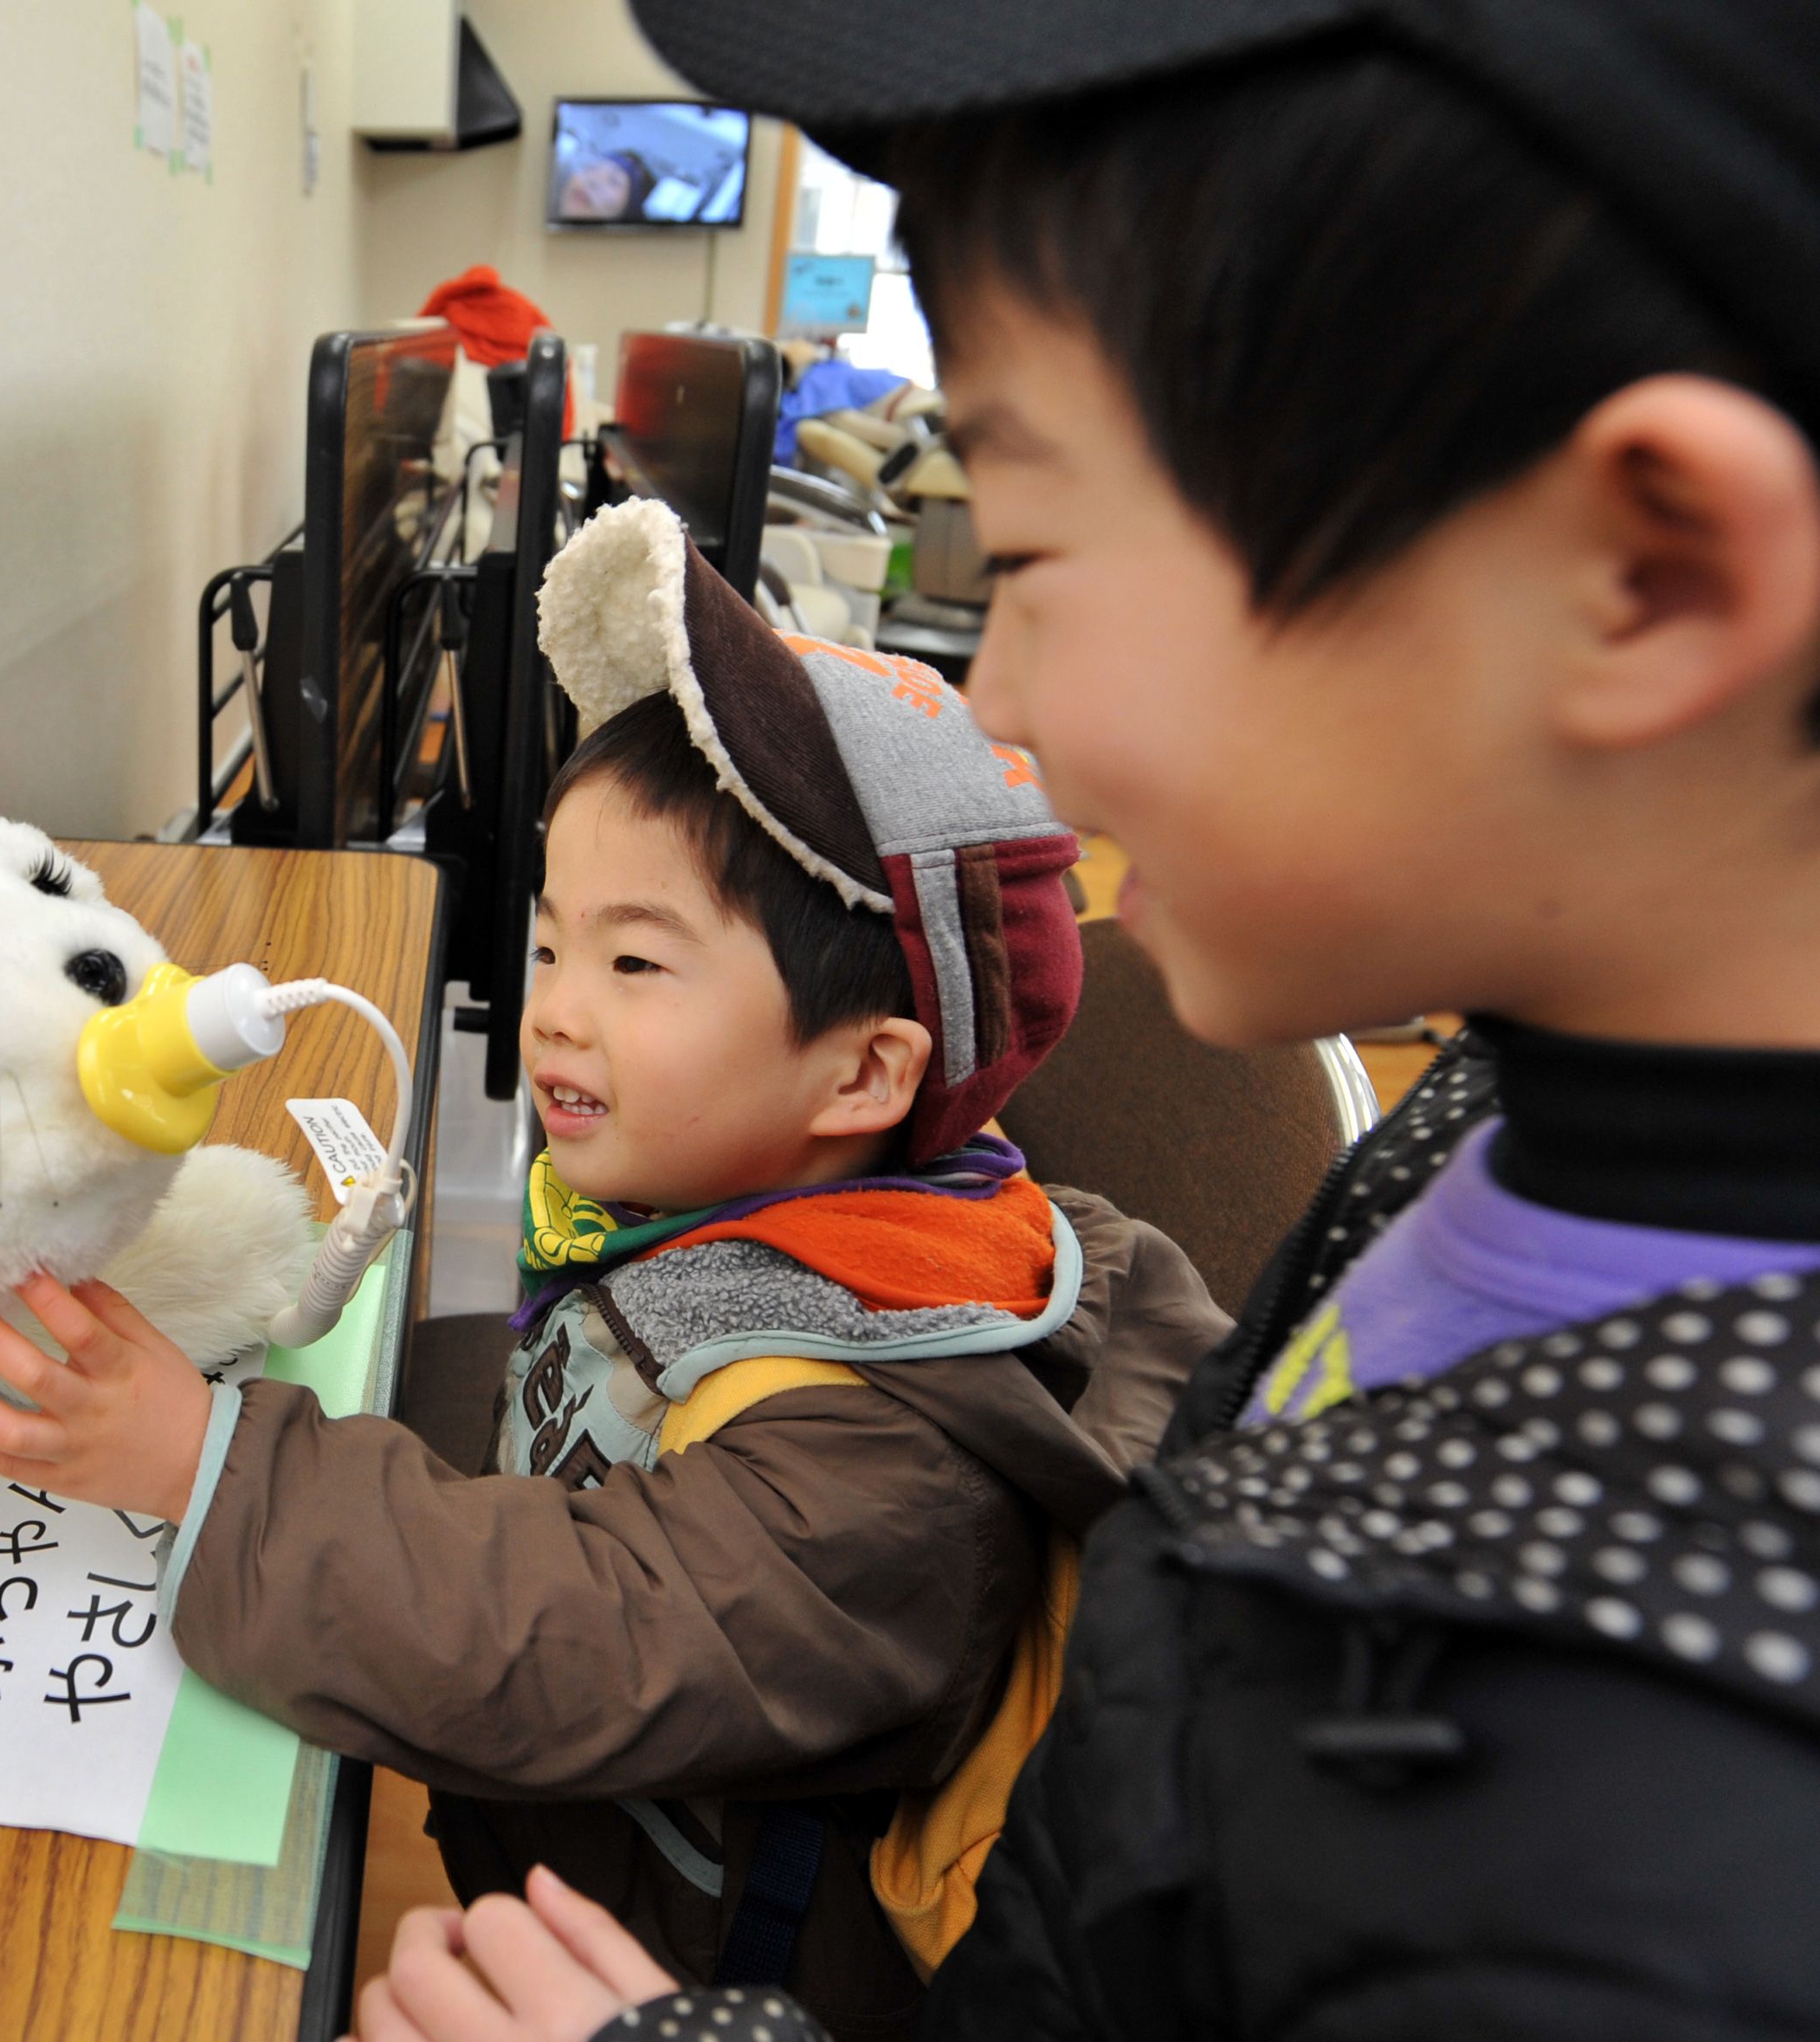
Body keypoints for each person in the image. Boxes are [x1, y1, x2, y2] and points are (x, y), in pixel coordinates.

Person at [357, 0, 1820, 2033]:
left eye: (1030, 546)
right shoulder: (1498, 1131)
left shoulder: (1654, 1827)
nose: (1011, 702)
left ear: (1641, 575)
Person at [0, 496, 1227, 2039]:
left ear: (858, 1075)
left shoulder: (882, 1449)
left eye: (634, 962)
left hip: (683, 1967)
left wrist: (205, 1463)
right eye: (551, 940)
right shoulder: (743, 1198)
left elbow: (580, 1635)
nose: (556, 1009)